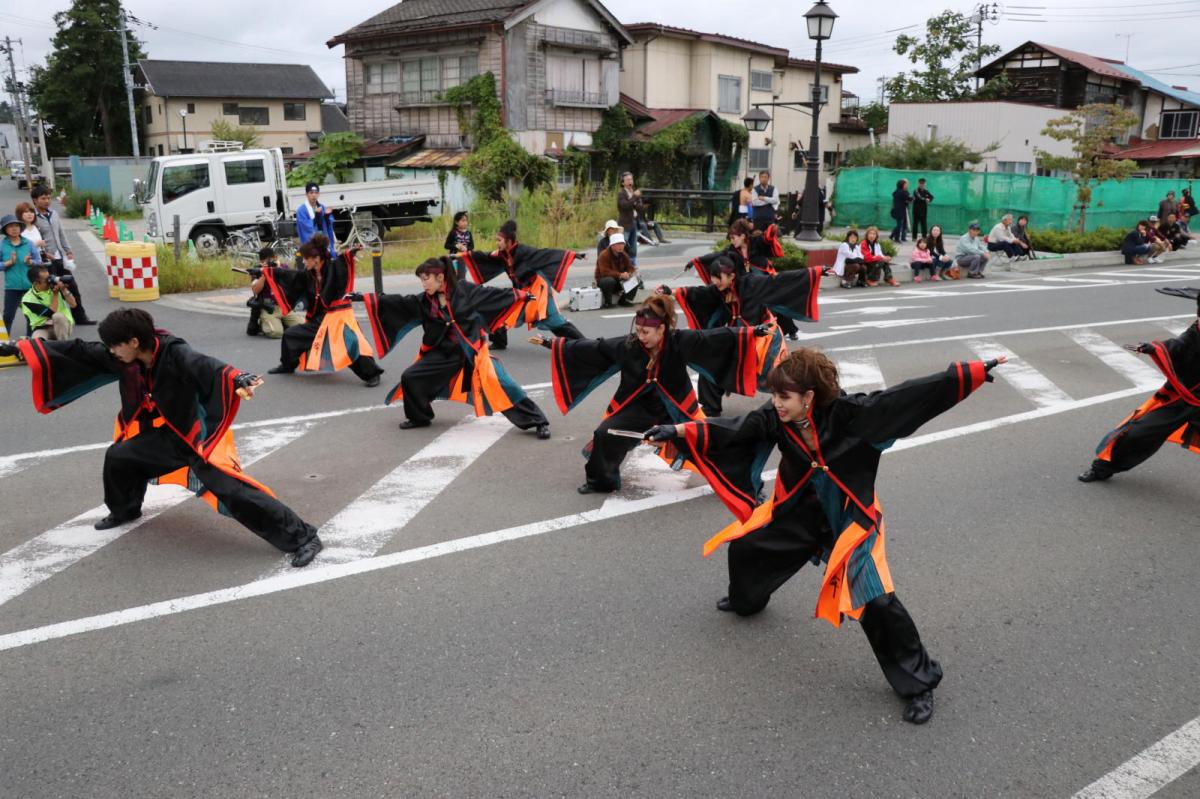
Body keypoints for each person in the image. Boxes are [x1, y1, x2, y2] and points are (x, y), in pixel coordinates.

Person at [643, 349, 1007, 724]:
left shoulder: (854, 416)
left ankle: (919, 682)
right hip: (799, 509)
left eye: (784, 397)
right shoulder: (775, 417)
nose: (776, 404)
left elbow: (910, 396)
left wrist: (967, 374)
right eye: (775, 396)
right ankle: (747, 600)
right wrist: (679, 430)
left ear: (809, 397)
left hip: (849, 517)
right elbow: (735, 429)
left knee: (876, 602)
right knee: (750, 546)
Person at [0, 308, 324, 567]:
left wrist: (237, 376)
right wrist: (22, 346)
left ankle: (303, 537)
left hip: (194, 436)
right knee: (120, 457)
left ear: (134, 341)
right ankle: (126, 508)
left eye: (116, 345)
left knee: (231, 489)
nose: (111, 351)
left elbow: (206, 365)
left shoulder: (174, 353)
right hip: (164, 435)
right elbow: (78, 350)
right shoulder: (123, 357)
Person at [533, 294, 763, 495]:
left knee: (704, 443)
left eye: (646, 331)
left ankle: (745, 485)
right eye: (638, 330)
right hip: (637, 407)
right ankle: (600, 481)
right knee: (605, 433)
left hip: (675, 407)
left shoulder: (680, 342)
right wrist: (553, 344)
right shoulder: (629, 345)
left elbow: (715, 337)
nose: (640, 336)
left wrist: (752, 331)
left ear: (661, 328)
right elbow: (595, 348)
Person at [359, 256, 552, 438]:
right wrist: (364, 298)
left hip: (471, 352)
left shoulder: (463, 291)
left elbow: (490, 295)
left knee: (504, 386)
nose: (424, 284)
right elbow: (399, 302)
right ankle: (419, 416)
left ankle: (539, 422)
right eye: (421, 280)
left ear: (440, 277)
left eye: (426, 279)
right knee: (410, 377)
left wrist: (521, 295)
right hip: (443, 354)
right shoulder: (426, 300)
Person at [663, 255, 822, 415]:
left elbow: (779, 280)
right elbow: (698, 293)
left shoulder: (752, 283)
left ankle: (802, 399)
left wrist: (816, 272)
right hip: (740, 337)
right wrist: (671, 292)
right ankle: (711, 406)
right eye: (712, 277)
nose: (714, 281)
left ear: (732, 276)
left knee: (776, 376)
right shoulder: (718, 290)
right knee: (712, 360)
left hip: (764, 337)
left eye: (718, 277)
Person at [1078, 286, 1200, 484]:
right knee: (1137, 433)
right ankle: (1102, 468)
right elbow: (1179, 345)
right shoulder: (1197, 329)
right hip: (1183, 398)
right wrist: (1153, 348)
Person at [263, 233, 384, 386]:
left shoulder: (333, 268)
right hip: (319, 319)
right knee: (291, 334)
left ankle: (372, 374)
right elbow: (291, 276)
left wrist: (350, 254)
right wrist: (271, 272)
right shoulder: (309, 275)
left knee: (348, 342)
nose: (303, 261)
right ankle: (287, 365)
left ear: (317, 258)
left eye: (306, 258)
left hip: (337, 316)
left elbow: (342, 263)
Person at [460, 219, 586, 350]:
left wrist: (572, 255)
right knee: (502, 308)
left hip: (539, 291)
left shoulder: (524, 252)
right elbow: (484, 256)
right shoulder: (502, 255)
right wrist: (464, 255)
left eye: (499, 240)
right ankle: (499, 341)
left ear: (509, 241)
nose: (496, 243)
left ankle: (584, 344)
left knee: (554, 320)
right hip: (522, 291)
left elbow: (546, 254)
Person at [31, 185, 94, 325]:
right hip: (45, 261)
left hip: (60, 257)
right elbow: (31, 240)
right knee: (51, 291)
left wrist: (68, 250)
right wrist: (42, 253)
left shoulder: (53, 214)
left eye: (48, 198)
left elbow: (61, 233)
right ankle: (50, 321)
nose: (47, 201)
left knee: (72, 287)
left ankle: (80, 318)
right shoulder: (32, 217)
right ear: (35, 200)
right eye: (43, 198)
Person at [246, 247, 306, 338]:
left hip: (284, 306)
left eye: (270, 260)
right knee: (276, 333)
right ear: (261, 261)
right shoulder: (258, 271)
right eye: (264, 262)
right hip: (269, 308)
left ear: (275, 258)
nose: (268, 263)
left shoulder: (283, 268)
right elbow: (255, 290)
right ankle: (264, 324)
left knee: (303, 327)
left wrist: (278, 269)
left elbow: (293, 281)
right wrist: (265, 274)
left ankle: (283, 323)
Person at [1, 213, 35, 337]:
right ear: (5, 230)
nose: (14, 228)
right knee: (8, 316)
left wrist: (30, 262)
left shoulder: (29, 243)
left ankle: (30, 342)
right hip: (12, 287)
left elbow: (39, 262)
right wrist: (8, 263)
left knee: (31, 316)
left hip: (30, 286)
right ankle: (3, 344)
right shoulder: (2, 245)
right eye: (10, 226)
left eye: (17, 225)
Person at [21, 264, 74, 340]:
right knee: (36, 342)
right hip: (43, 328)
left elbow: (73, 305)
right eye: (47, 280)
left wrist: (64, 290)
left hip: (62, 326)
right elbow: (51, 313)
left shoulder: (55, 287)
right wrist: (55, 295)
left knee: (58, 316)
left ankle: (63, 345)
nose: (50, 281)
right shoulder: (28, 299)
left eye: (49, 277)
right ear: (35, 283)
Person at [595, 231, 637, 308]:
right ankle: (608, 302)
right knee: (609, 281)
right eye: (618, 244)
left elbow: (630, 267)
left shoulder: (624, 254)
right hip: (603, 280)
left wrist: (630, 273)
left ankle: (624, 300)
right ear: (612, 245)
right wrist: (620, 275)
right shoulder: (603, 255)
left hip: (618, 279)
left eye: (622, 244)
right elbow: (604, 272)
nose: (621, 246)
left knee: (635, 279)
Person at [295, 182, 336, 258]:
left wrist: (327, 216)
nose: (314, 195)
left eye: (316, 192)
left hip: (322, 239)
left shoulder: (322, 207)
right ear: (306, 194)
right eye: (311, 192)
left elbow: (328, 223)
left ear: (319, 194)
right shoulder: (301, 210)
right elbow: (305, 227)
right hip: (312, 241)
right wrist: (316, 216)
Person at [617, 172, 644, 266]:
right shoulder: (621, 193)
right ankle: (621, 265)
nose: (630, 182)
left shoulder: (634, 192)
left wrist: (638, 202)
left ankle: (633, 266)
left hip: (633, 222)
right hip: (624, 224)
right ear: (623, 182)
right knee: (623, 245)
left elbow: (640, 208)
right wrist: (635, 197)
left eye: (631, 179)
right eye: (628, 180)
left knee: (633, 248)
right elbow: (625, 206)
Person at [444, 210, 475, 279]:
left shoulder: (468, 233)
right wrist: (456, 246)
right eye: (463, 221)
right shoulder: (453, 233)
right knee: (456, 277)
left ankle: (461, 288)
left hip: (465, 259)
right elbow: (446, 245)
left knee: (462, 277)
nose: (465, 223)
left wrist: (467, 248)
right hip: (454, 259)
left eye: (466, 221)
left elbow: (472, 246)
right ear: (456, 222)